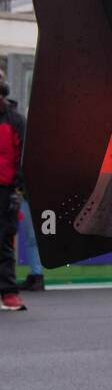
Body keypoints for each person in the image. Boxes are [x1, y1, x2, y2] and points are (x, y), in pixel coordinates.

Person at [0, 81, 25, 312]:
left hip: (6, 191)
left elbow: (23, 158)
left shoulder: (16, 121)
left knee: (4, 241)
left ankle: (8, 292)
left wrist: (18, 189)